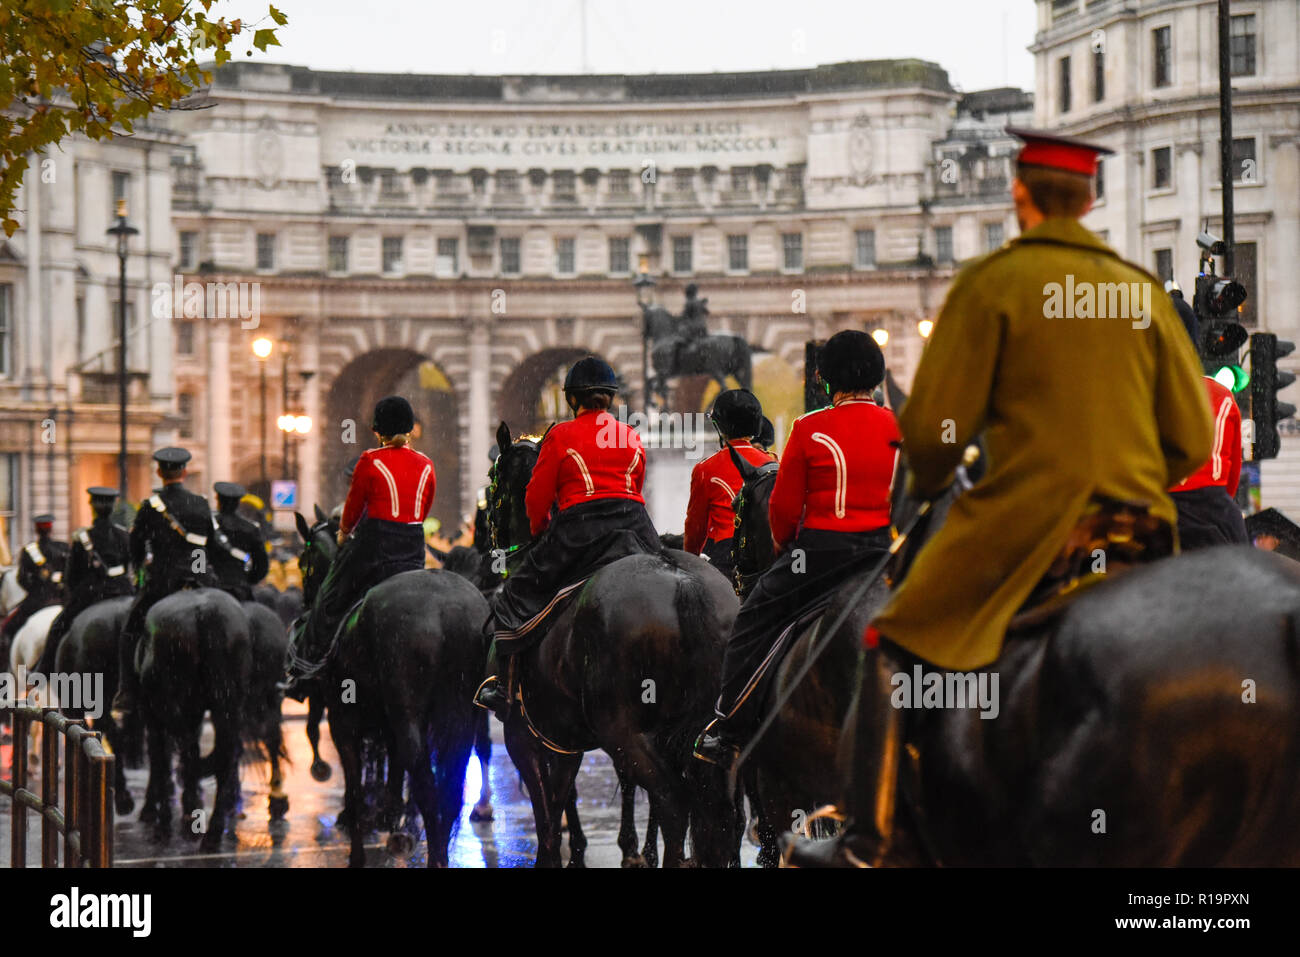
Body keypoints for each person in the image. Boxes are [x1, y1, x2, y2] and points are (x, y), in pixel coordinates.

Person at [786, 128, 1214, 868]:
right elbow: (1190, 440)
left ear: (1020, 195)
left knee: (893, 643)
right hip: (1140, 534)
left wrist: (951, 465)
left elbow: (930, 438)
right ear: (1092, 199)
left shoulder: (992, 284)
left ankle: (865, 842)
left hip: (1026, 529)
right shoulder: (1138, 290)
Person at [694, 330, 901, 767]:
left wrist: (788, 547)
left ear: (827, 381)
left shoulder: (810, 428)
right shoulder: (899, 427)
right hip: (888, 558)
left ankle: (728, 725)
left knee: (752, 622)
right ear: (876, 379)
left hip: (824, 555)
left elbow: (784, 513)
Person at [474, 356, 660, 718]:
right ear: (610, 397)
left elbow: (536, 499)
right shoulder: (631, 435)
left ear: (573, 399)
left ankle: (504, 685)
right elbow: (638, 486)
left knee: (513, 595)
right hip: (636, 529)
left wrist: (543, 530)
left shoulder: (559, 435)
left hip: (580, 530)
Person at [282, 396, 434, 700]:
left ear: (379, 431)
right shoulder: (426, 464)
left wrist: (344, 533)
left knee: (329, 598)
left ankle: (306, 667)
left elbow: (354, 506)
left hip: (376, 548)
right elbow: (425, 505)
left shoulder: (370, 460)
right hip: (413, 551)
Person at [111, 448, 221, 719]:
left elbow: (136, 547)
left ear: (160, 472)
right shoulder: (201, 503)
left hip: (163, 583)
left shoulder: (151, 506)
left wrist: (141, 569)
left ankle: (126, 689)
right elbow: (212, 545)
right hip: (200, 580)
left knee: (129, 630)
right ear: (184, 472)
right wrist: (200, 571)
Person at [36, 488, 134, 675]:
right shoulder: (124, 535)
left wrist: (74, 593)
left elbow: (72, 576)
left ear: (92, 508)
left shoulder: (83, 538)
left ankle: (42, 671)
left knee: (58, 627)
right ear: (112, 508)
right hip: (123, 590)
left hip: (93, 593)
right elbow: (131, 565)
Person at [683, 389, 771, 583]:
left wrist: (690, 559)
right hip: (765, 555)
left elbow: (695, 528)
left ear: (719, 426)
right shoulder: (773, 465)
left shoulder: (705, 469)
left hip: (725, 555)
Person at [1169, 370, 1247, 549]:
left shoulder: (1161, 388)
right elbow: (1234, 467)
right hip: (1211, 498)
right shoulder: (1223, 395)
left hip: (1166, 494)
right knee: (1245, 561)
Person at [2, 514, 71, 649]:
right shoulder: (63, 548)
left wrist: (36, 589)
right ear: (51, 529)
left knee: (9, 628)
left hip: (37, 600)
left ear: (36, 530)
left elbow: (21, 579)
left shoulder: (29, 551)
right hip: (62, 599)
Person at [209, 482, 270, 601]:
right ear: (238, 503)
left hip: (211, 586)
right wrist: (247, 579)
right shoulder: (251, 529)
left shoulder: (208, 525)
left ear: (218, 501)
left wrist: (200, 574)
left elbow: (198, 553)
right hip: (240, 588)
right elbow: (262, 565)